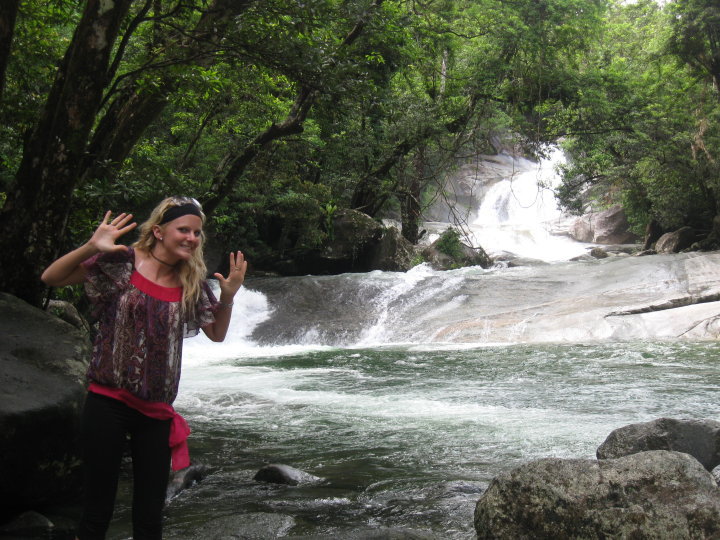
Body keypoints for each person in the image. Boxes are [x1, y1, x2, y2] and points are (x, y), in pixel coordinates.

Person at [41, 196, 247, 540]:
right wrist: (92, 245)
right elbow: (52, 277)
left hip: (156, 413)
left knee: (150, 517)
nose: (192, 238)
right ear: (158, 231)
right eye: (184, 229)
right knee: (97, 511)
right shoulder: (122, 262)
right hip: (107, 403)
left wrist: (228, 296)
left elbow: (217, 334)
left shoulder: (190, 282)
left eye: (197, 233)